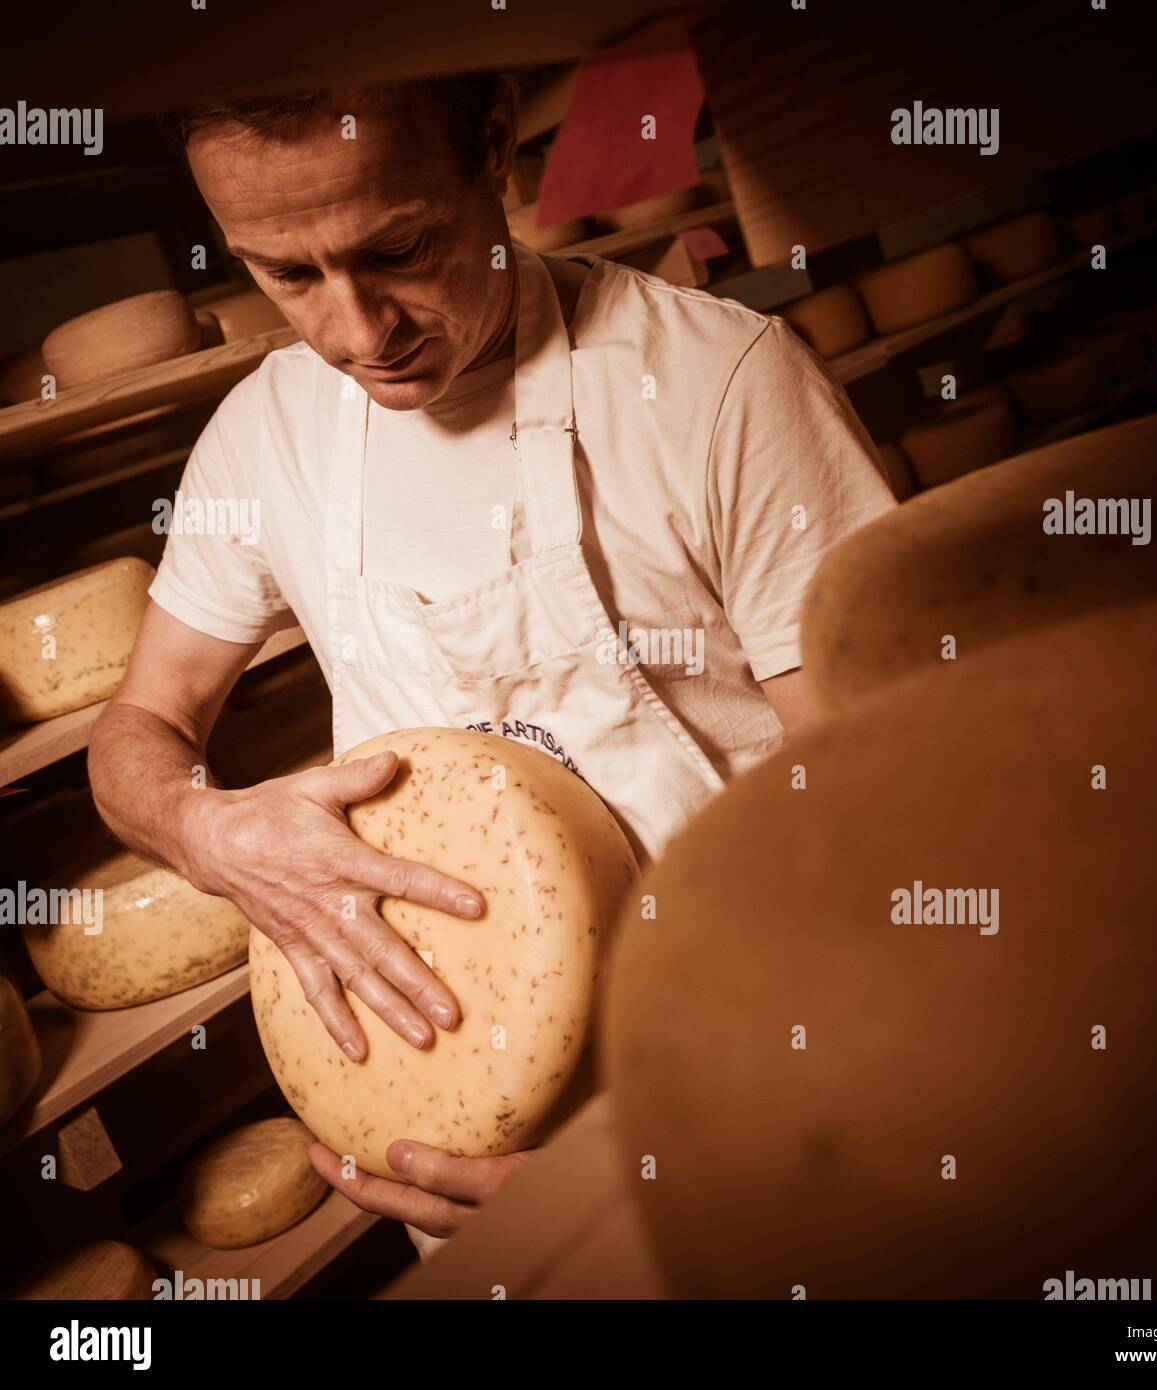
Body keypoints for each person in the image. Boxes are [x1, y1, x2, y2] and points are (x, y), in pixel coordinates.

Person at [87, 72, 895, 1248]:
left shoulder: (713, 386)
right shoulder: (267, 438)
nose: (357, 333)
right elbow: (136, 732)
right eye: (287, 274)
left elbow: (899, 809)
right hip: (462, 1146)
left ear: (495, 150)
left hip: (763, 1112)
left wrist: (714, 1137)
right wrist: (206, 832)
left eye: (399, 247)